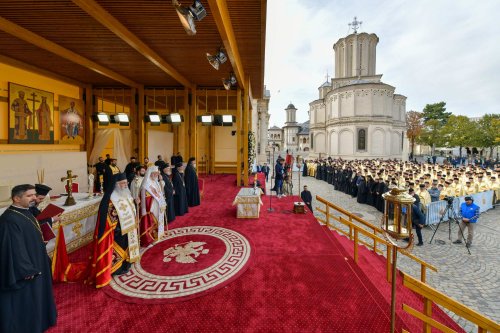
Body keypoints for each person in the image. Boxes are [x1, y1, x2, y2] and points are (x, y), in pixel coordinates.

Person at [0, 184, 57, 332]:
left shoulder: (26, 211)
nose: (34, 198)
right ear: (16, 199)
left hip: (36, 258)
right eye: (29, 195)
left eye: (34, 194)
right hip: (27, 269)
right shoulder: (9, 219)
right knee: (28, 299)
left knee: (38, 295)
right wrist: (26, 270)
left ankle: (41, 320)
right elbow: (12, 248)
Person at [87, 173, 140, 287]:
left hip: (128, 228)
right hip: (116, 231)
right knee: (118, 249)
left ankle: (126, 263)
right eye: (123, 184)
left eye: (126, 183)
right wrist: (117, 224)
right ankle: (116, 269)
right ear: (116, 185)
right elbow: (108, 216)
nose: (125, 186)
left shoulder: (127, 194)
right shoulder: (111, 199)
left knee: (127, 246)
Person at [139, 166, 167, 247]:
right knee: (150, 223)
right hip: (150, 208)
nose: (156, 175)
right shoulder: (146, 183)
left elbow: (160, 193)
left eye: (157, 173)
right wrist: (145, 208)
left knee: (158, 220)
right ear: (150, 173)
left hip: (158, 205)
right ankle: (149, 239)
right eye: (154, 173)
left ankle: (157, 235)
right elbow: (144, 197)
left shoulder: (155, 182)